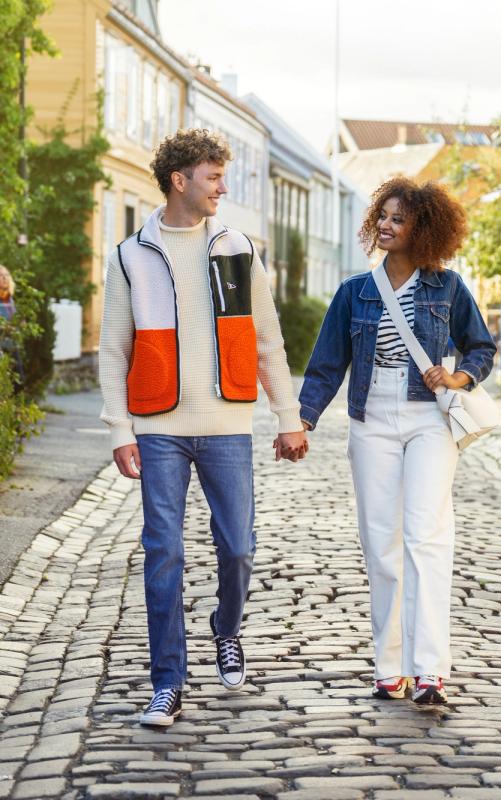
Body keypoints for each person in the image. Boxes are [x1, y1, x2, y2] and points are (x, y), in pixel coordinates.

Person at [99, 129, 307, 727]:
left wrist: (287, 417)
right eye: (213, 177)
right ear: (179, 181)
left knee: (238, 547)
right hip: (158, 425)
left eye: (223, 177)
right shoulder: (131, 254)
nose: (222, 188)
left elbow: (266, 338)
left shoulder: (236, 247)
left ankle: (227, 628)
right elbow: (114, 348)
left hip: (226, 424)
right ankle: (168, 681)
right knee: (162, 551)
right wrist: (119, 429)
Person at [299, 176, 496, 705]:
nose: (386, 225)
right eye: (382, 216)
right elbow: (325, 365)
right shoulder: (354, 292)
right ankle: (390, 666)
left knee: (426, 536)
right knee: (381, 543)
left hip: (429, 419)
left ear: (422, 229)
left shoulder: (448, 288)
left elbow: (481, 348)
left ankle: (429, 669)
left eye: (398, 219)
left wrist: (458, 378)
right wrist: (303, 419)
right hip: (372, 418)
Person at [0, 265, 25, 387]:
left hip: (11, 344)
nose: (4, 278)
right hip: (1, 345)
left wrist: (20, 322)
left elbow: (16, 320)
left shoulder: (10, 299)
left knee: (18, 380)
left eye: (6, 275)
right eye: (1, 275)